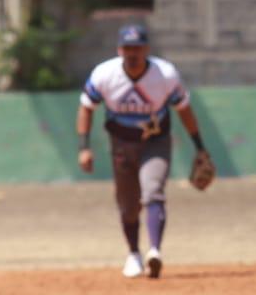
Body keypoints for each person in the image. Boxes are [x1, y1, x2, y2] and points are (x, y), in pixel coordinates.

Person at [77, 23, 208, 279]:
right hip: (121, 145)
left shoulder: (165, 75)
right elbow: (86, 107)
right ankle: (134, 254)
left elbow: (184, 109)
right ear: (119, 50)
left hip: (155, 141)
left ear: (146, 49)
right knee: (128, 205)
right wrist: (84, 147)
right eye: (127, 48)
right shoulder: (105, 74)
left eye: (137, 48)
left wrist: (199, 147)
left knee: (153, 191)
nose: (132, 53)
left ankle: (155, 251)